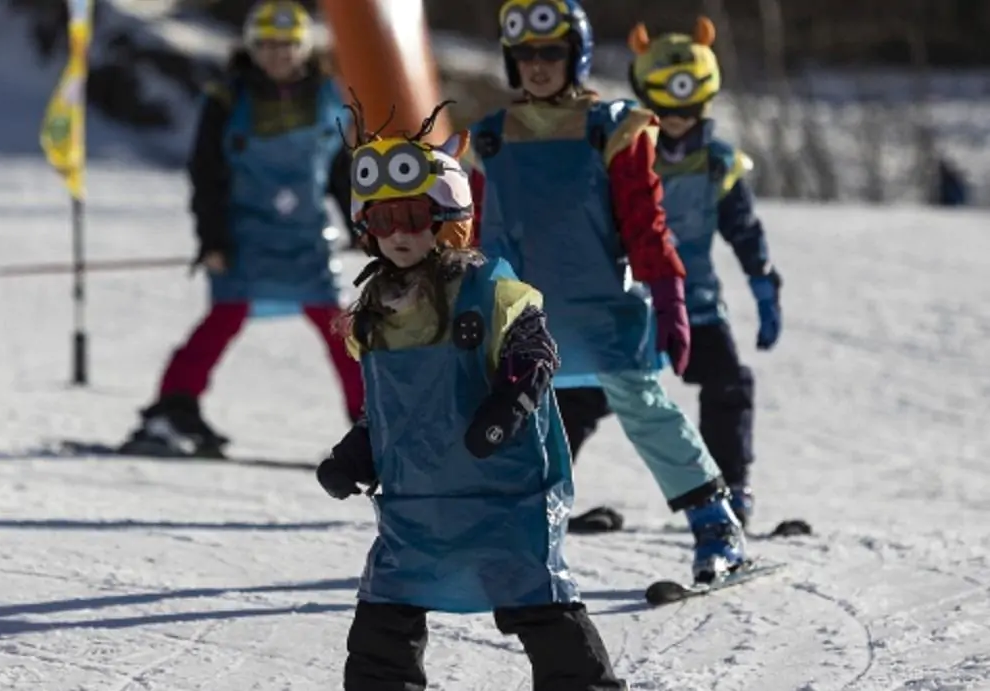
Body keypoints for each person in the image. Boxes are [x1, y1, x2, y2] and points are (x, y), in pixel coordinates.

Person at [315, 99, 627, 691]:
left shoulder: (486, 290)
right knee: (384, 621)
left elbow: (535, 354)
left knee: (541, 607)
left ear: (447, 216)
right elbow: (389, 409)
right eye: (382, 221)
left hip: (501, 494)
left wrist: (507, 406)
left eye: (412, 216)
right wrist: (355, 454)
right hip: (418, 505)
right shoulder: (376, 314)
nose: (399, 234)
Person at [464, 0, 746, 582]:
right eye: (526, 55)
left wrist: (669, 297)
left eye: (551, 53)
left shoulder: (611, 127)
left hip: (601, 310)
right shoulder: (491, 138)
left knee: (647, 411)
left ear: (576, 55)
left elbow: (646, 223)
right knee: (520, 427)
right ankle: (515, 536)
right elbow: (477, 235)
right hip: (522, 321)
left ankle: (716, 526)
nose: (538, 66)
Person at [556, 17, 783, 530]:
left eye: (690, 108)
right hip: (630, 304)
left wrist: (764, 282)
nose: (678, 120)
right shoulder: (624, 155)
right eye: (667, 110)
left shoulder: (717, 164)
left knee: (729, 385)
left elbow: (744, 230)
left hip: (696, 304)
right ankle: (539, 497)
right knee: (581, 396)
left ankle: (731, 492)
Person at [120, 0, 363, 458]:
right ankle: (174, 408)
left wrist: (359, 222)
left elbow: (339, 170)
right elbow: (206, 173)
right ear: (252, 48)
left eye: (287, 46)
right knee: (224, 319)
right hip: (243, 234)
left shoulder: (327, 98)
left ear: (304, 48)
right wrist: (212, 238)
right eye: (267, 46)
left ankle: (371, 420)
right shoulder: (227, 99)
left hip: (306, 236)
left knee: (338, 324)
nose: (278, 56)